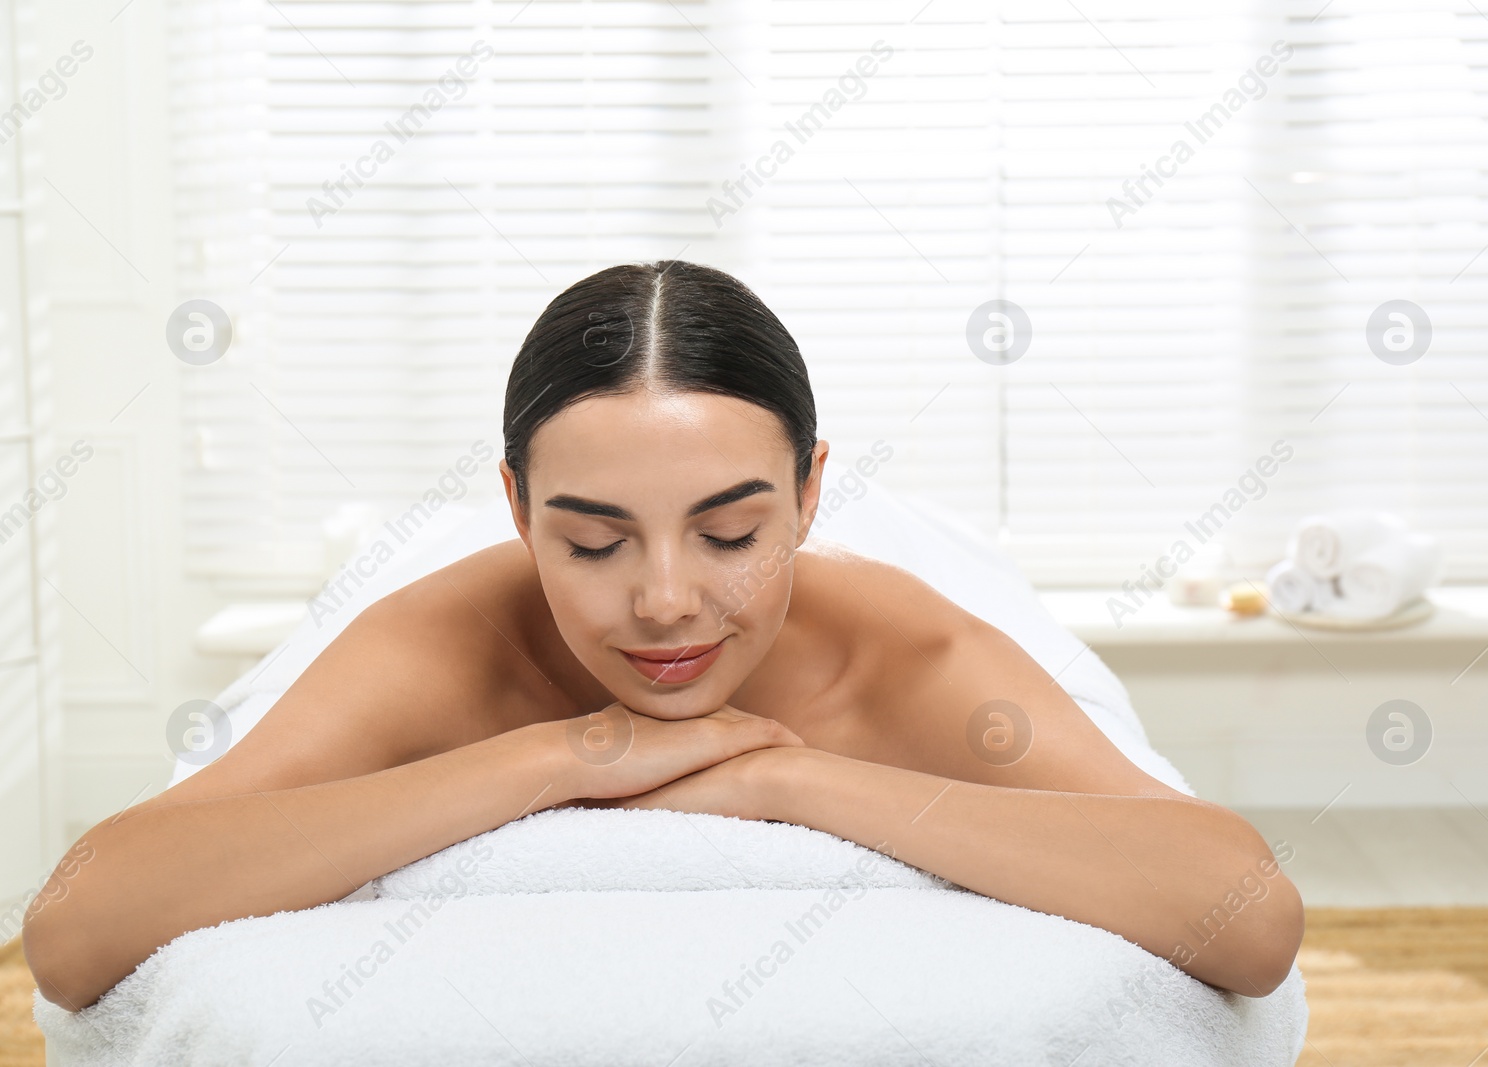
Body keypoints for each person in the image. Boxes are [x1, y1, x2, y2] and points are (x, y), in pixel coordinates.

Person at [24, 260, 1303, 1011]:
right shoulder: (440, 645)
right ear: (519, 508)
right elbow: (77, 933)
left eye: (732, 532)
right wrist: (565, 755)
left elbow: (1245, 919)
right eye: (593, 541)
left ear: (807, 495)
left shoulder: (903, 656)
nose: (667, 601)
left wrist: (785, 776)